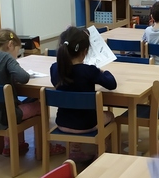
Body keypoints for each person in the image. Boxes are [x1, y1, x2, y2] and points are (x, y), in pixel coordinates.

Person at [0, 29, 64, 157]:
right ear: (10, 45)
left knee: (17, 103)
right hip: (4, 116)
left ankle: (12, 145)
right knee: (39, 106)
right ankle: (44, 148)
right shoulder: (5, 57)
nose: (16, 56)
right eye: (17, 52)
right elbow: (24, 77)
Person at [50, 27, 117, 161]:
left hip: (62, 123)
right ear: (85, 52)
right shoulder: (89, 71)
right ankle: (101, 151)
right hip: (87, 124)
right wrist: (103, 72)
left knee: (74, 111)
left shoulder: (55, 68)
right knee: (110, 116)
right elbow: (111, 84)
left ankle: (75, 150)